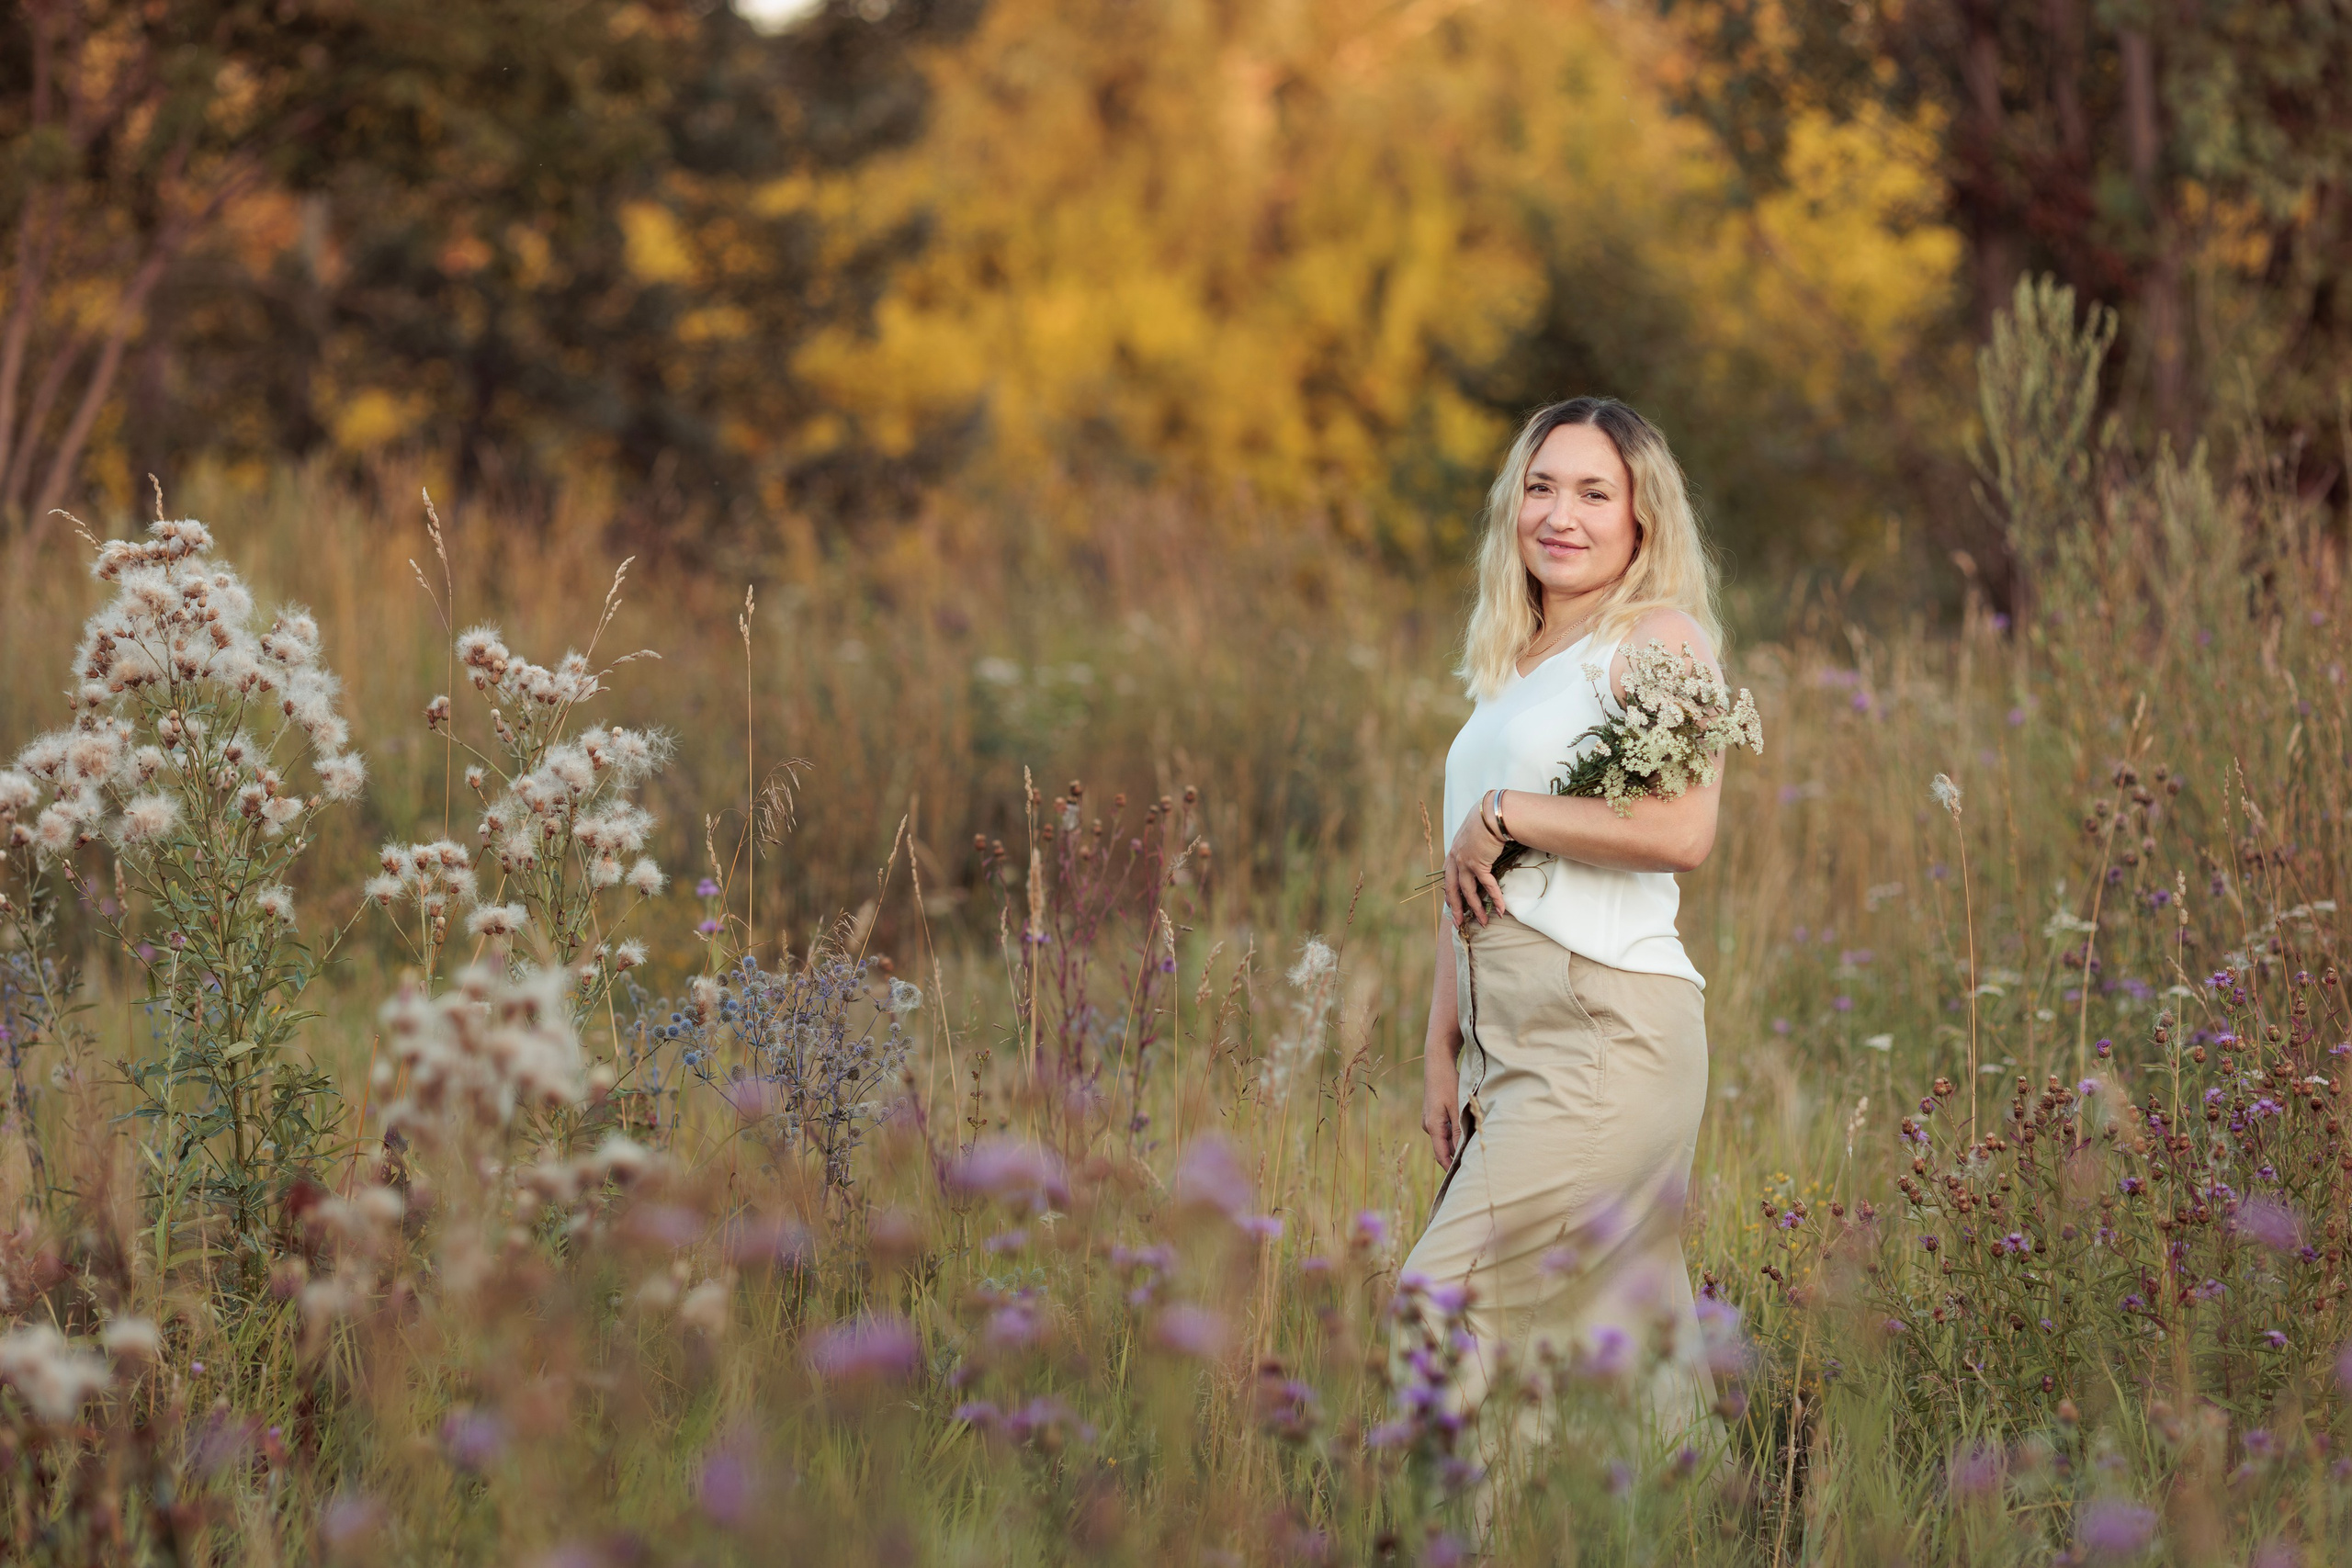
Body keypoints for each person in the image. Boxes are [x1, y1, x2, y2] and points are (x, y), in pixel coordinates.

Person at [1398, 395, 1729, 1496]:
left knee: (1439, 1304)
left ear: (1642, 516)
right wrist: (1442, 1043)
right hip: (1513, 1036)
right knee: (1616, 1347)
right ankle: (1696, 1528)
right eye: (1541, 487)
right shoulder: (1513, 664)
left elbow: (1682, 831)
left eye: (1595, 492)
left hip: (1605, 1029)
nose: (1561, 514)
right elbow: (1467, 881)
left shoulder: (1657, 640)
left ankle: (1457, 1531)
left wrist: (1505, 811)